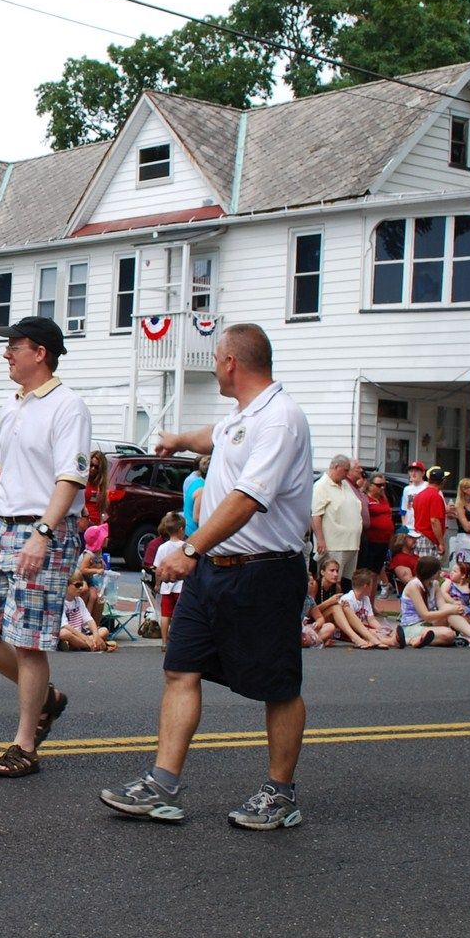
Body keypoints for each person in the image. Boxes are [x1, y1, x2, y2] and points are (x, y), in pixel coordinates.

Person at [98, 323, 314, 831]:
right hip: (215, 573)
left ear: (231, 363)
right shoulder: (242, 417)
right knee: (181, 669)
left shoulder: (281, 419)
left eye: (217, 358)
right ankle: (161, 786)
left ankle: (280, 795)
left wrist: (191, 547)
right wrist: (175, 438)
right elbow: (211, 437)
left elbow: (247, 499)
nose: (215, 365)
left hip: (264, 572)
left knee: (278, 686)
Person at [0, 315, 90, 777]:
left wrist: (44, 533)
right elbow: (13, 474)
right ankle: (47, 698)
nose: (6, 353)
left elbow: (71, 477)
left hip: (43, 529)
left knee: (29, 641)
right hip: (2, 527)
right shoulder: (12, 404)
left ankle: (25, 743)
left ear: (40, 352)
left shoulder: (68, 405)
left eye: (14, 346)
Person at [309, 455, 362, 589]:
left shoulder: (345, 484)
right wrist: (320, 539)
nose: (347, 474)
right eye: (345, 470)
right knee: (332, 582)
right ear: (336, 467)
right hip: (334, 545)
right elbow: (316, 515)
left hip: (352, 543)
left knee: (347, 582)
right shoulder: (321, 486)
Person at [358, 474, 395, 581]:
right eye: (379, 485)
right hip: (371, 540)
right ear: (370, 485)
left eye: (384, 485)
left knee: (375, 573)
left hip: (384, 540)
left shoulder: (383, 498)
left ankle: (372, 597)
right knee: (368, 572)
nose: (382, 488)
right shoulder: (366, 498)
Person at [410, 464, 448, 559]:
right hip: (429, 538)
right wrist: (441, 542)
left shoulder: (418, 495)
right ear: (443, 481)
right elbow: (434, 521)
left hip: (417, 536)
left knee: (420, 569)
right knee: (430, 570)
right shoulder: (435, 496)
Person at [83, 450, 109, 528]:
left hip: (96, 525)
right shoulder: (82, 481)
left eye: (97, 467)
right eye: (91, 465)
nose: (93, 468)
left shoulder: (101, 485)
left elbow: (102, 509)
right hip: (83, 523)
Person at [182, 454, 208, 531]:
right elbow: (197, 517)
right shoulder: (201, 488)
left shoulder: (195, 482)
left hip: (187, 527)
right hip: (193, 530)